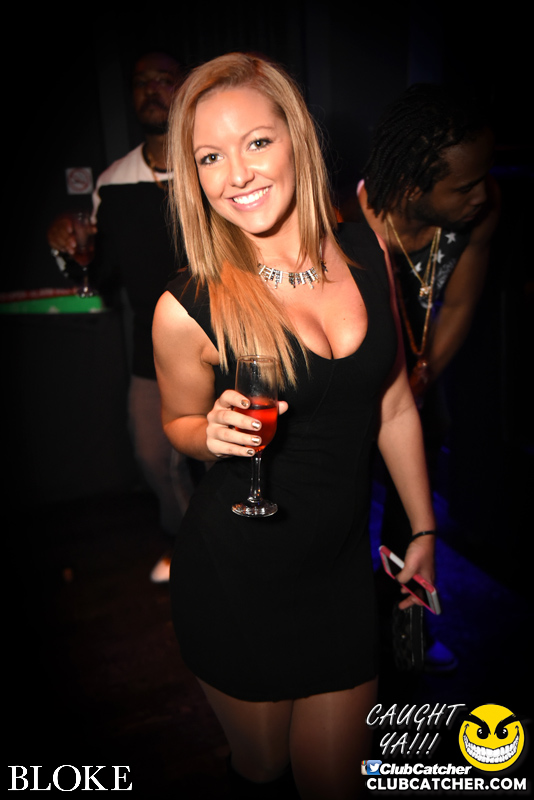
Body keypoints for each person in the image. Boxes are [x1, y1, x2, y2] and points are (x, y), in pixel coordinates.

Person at [152, 53, 436, 798]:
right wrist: (207, 433)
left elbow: (393, 402)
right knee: (264, 770)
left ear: (296, 138)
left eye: (256, 142)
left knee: (336, 783)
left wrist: (424, 529)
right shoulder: (187, 306)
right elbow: (177, 420)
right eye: (210, 157)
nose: (237, 174)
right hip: (239, 576)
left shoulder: (367, 252)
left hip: (340, 571)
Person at [357, 84, 500, 670]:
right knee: (345, 518)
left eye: (482, 178)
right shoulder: (344, 221)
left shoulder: (481, 209)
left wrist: (419, 381)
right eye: (464, 186)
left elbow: (459, 304)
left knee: (411, 520)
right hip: (352, 387)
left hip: (417, 377)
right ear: (413, 188)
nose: (481, 194)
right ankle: (347, 635)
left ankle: (407, 636)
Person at [47, 52, 196, 582]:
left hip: (225, 344)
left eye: (164, 80)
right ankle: (187, 543)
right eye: (141, 82)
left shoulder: (210, 163)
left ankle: (234, 552)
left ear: (185, 88)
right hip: (152, 352)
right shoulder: (113, 182)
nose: (152, 89)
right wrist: (70, 250)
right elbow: (101, 273)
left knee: (229, 458)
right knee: (153, 455)